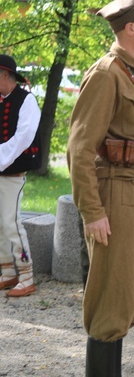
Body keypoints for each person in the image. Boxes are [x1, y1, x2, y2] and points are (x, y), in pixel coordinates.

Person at [67, 0, 134, 377]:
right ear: (131, 28)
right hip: (116, 194)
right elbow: (80, 149)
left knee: (130, 293)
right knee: (112, 295)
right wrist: (92, 212)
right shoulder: (107, 73)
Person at [0, 54, 41, 298]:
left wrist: (1, 157)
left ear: (5, 74)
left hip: (13, 171)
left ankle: (26, 275)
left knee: (12, 223)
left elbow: (24, 136)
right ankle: (7, 272)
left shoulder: (27, 101)